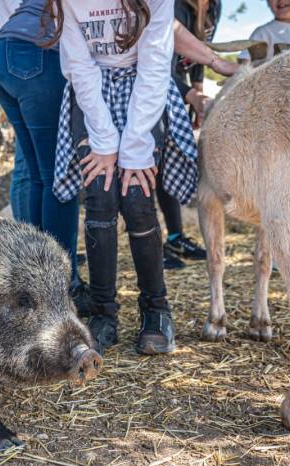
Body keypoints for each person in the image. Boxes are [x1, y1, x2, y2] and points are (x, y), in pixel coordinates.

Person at [50, 0, 199, 355]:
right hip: (91, 95)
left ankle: (156, 310)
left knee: (137, 195)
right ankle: (103, 314)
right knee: (100, 196)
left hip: (143, 91)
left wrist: (134, 146)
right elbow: (79, 66)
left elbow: (155, 66)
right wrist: (102, 139)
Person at [0, 0, 90, 316]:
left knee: (37, 175)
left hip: (2, 55)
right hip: (39, 54)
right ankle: (63, 286)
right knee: (59, 178)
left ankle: (32, 281)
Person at [154, 0, 223, 270]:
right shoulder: (172, 6)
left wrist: (197, 90)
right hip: (154, 84)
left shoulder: (214, 6)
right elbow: (159, 65)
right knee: (149, 161)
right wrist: (190, 95)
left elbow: (200, 53)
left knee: (167, 161)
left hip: (177, 86)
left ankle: (174, 237)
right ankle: (149, 243)